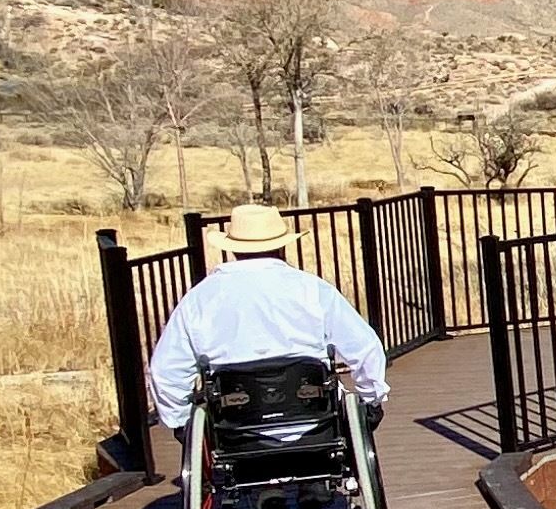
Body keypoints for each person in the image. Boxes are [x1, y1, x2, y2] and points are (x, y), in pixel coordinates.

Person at [147, 202, 391, 476]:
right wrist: (372, 399)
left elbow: (164, 370)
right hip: (314, 422)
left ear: (234, 249)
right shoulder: (311, 289)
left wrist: (180, 422)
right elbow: (366, 348)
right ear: (282, 246)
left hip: (236, 428)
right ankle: (315, 475)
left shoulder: (201, 298)